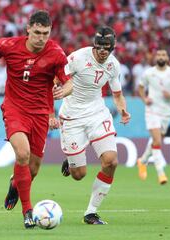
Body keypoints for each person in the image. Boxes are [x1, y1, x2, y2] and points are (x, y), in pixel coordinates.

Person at [0, 10, 73, 228]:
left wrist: (65, 91)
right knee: (22, 154)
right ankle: (28, 212)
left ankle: (15, 184)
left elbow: (68, 81)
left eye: (45, 33)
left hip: (40, 114)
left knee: (32, 169)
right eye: (37, 33)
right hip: (15, 109)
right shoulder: (8, 45)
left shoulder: (56, 53)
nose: (41, 38)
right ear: (28, 29)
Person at [59, 26, 131, 224]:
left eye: (106, 48)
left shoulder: (113, 66)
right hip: (72, 116)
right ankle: (73, 158)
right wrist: (61, 90)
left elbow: (117, 94)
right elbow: (59, 76)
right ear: (94, 45)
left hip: (97, 114)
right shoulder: (77, 58)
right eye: (98, 47)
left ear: (112, 48)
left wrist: (123, 109)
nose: (101, 51)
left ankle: (91, 212)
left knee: (111, 161)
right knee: (78, 174)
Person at [137, 49, 170, 184]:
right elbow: (140, 88)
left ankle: (143, 160)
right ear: (155, 57)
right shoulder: (149, 73)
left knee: (157, 141)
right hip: (152, 110)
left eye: (163, 55)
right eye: (158, 55)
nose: (161, 57)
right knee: (157, 141)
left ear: (168, 58)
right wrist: (144, 99)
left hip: (166, 112)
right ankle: (161, 173)